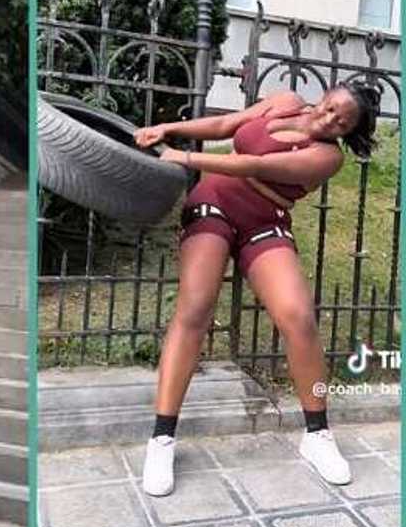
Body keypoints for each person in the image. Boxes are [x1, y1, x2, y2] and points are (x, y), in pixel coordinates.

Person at [133, 82, 381, 496]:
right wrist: (168, 129)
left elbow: (254, 166)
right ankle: (161, 438)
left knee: (298, 316)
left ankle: (317, 434)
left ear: (347, 132)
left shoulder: (327, 157)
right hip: (212, 200)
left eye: (343, 121)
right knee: (195, 308)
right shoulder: (284, 102)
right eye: (332, 106)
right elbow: (227, 123)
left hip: (265, 219)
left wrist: (186, 157)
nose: (331, 117)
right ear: (326, 95)